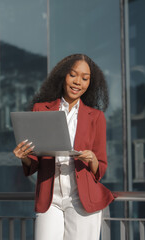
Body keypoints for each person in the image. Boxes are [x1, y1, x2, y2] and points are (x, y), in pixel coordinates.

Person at [13, 54, 114, 240]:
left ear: (90, 83)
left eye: (85, 78)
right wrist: (24, 155)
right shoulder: (41, 109)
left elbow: (101, 165)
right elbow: (34, 162)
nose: (78, 82)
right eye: (73, 75)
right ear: (63, 76)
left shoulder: (96, 117)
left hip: (81, 198)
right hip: (50, 199)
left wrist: (91, 158)